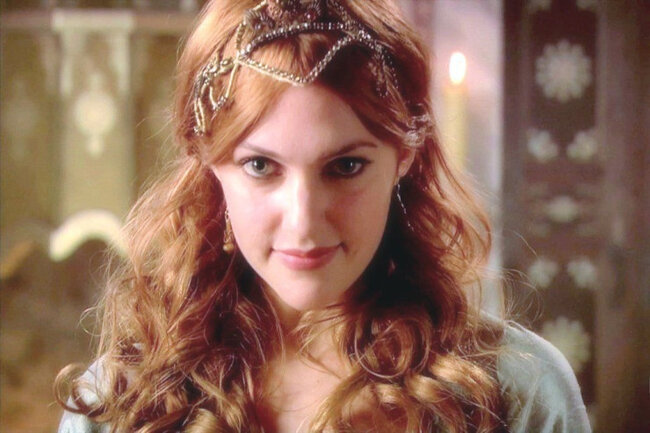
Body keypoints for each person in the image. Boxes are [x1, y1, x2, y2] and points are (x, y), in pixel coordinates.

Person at [55, 1, 591, 432]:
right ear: (208, 162)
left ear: (405, 156)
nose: (304, 222)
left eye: (346, 166)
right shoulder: (123, 401)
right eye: (261, 166)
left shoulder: (515, 392)